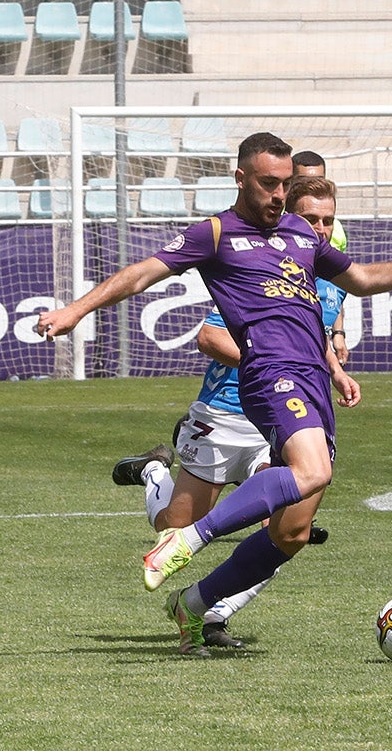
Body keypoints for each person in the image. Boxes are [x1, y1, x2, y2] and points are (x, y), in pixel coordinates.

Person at [37, 132, 392, 655]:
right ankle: (184, 541)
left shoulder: (302, 236)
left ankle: (193, 605)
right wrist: (75, 311)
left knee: (292, 531)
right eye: (268, 184)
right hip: (268, 373)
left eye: (285, 184)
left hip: (311, 382)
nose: (279, 195)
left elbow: (364, 279)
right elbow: (140, 275)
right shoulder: (216, 233)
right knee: (312, 472)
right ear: (241, 179)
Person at [108, 175, 350, 650]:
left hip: (291, 409)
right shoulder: (256, 258)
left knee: (290, 529)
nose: (320, 229)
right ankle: (156, 472)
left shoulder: (326, 264)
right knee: (173, 525)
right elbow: (211, 335)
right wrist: (270, 356)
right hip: (228, 411)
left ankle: (206, 609)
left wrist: (334, 365)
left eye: (328, 220)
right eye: (311, 219)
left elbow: (316, 325)